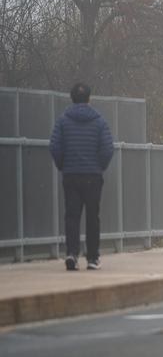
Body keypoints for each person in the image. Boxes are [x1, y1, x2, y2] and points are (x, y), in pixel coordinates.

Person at [49, 83, 114, 271]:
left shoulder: (63, 120)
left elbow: (54, 146)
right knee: (93, 217)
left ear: (72, 99)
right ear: (89, 99)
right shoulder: (99, 121)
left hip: (71, 175)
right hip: (93, 176)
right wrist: (99, 166)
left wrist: (63, 165)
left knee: (72, 216)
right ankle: (93, 258)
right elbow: (107, 148)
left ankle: (72, 254)